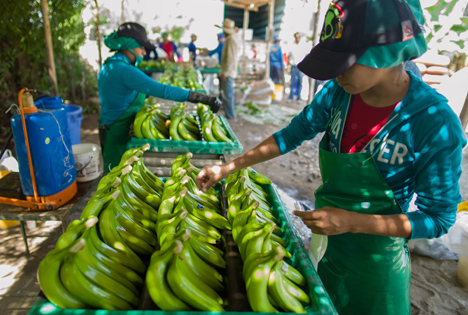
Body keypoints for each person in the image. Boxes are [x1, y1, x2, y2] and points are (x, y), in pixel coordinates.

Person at [196, 1, 467, 314]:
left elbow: (439, 218)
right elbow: (290, 135)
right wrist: (228, 167)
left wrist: (352, 221)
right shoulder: (338, 95)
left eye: (345, 62)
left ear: (386, 53)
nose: (335, 73)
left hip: (376, 270)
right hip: (324, 247)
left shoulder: (432, 121)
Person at [98, 22, 222, 171]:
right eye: (141, 47)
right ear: (128, 45)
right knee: (116, 178)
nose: (144, 53)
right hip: (118, 133)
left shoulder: (109, 65)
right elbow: (163, 90)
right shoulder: (125, 70)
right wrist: (201, 98)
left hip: (110, 129)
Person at [218, 19, 240, 120]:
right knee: (227, 95)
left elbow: (230, 59)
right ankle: (229, 115)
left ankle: (230, 116)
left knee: (228, 95)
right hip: (229, 72)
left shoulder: (231, 40)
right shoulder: (231, 39)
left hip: (228, 72)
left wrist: (225, 73)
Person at [287, 32, 310, 102]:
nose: (297, 38)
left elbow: (307, 56)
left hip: (300, 67)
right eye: (296, 37)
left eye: (298, 37)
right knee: (292, 82)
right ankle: (290, 97)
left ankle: (298, 98)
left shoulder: (303, 46)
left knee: (300, 82)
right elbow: (289, 56)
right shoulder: (292, 45)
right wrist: (288, 66)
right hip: (293, 66)